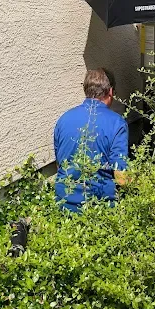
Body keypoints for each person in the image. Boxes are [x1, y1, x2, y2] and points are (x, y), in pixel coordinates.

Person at [54, 68, 128, 212]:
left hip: (64, 205)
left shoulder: (63, 119)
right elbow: (122, 178)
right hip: (100, 208)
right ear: (111, 92)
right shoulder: (116, 123)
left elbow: (60, 165)